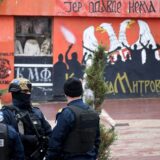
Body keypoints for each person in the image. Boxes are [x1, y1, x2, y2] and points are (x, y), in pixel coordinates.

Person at [45, 77, 100, 160]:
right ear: (81, 92)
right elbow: (97, 141)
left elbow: (55, 142)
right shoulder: (93, 112)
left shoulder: (66, 113)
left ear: (65, 93)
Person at [1, 78, 52, 160]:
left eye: (29, 91)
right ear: (16, 93)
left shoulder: (36, 112)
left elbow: (49, 132)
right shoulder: (7, 113)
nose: (28, 94)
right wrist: (24, 138)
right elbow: (3, 136)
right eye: (25, 92)